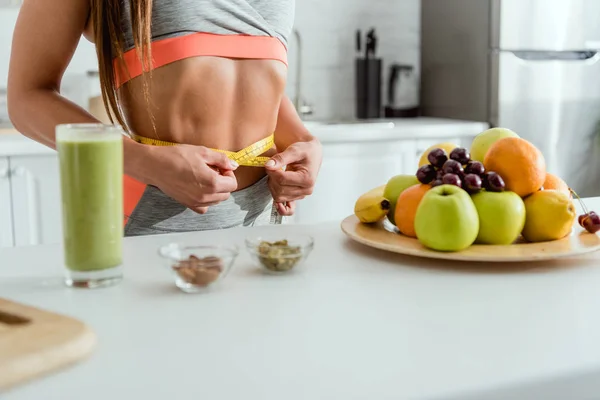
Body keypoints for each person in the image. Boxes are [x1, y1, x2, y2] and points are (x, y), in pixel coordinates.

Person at [7, 0, 322, 236]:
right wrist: (144, 161)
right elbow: (27, 97)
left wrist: (302, 140)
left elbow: (247, 68)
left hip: (261, 218)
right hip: (150, 219)